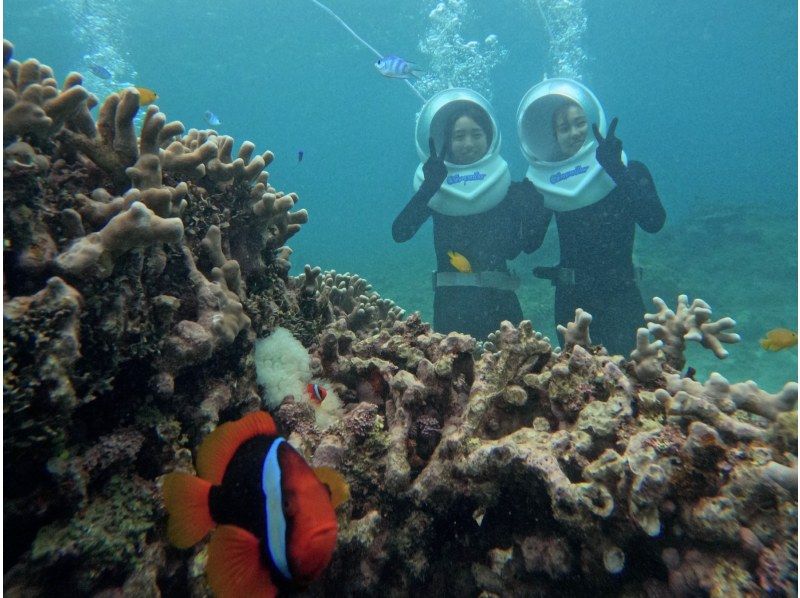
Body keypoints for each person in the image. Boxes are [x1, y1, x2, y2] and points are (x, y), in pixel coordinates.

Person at [517, 78, 666, 355]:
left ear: (595, 121)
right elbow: (529, 244)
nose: (574, 132)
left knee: (634, 381)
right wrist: (532, 204)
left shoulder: (629, 168)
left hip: (622, 296)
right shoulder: (548, 183)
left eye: (580, 122)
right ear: (555, 138)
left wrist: (616, 171)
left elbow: (654, 221)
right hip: (571, 301)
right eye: (564, 128)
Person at [393, 89, 546, 340]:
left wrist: (539, 213)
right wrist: (428, 187)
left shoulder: (504, 188)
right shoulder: (437, 187)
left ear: (489, 137)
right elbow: (400, 232)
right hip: (452, 308)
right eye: (459, 136)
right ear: (447, 143)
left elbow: (522, 248)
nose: (468, 143)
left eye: (477, 134)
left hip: (502, 306)